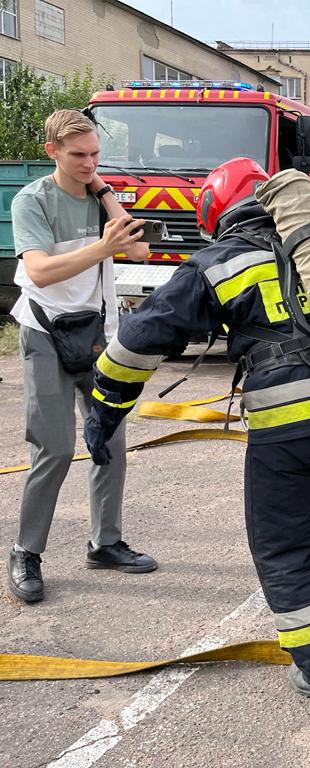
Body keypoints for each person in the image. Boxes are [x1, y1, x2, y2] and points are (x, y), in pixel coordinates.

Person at [84, 158, 310, 709]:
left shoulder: (219, 260)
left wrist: (105, 409)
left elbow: (137, 340)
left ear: (217, 212)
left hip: (295, 414)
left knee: (281, 545)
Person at [6, 109, 155, 605]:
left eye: (95, 154)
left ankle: (105, 543)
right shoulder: (34, 200)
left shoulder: (99, 196)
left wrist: (108, 197)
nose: (90, 163)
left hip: (96, 335)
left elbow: (139, 255)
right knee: (53, 448)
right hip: (45, 334)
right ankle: (26, 553)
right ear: (52, 152)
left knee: (108, 438)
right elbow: (42, 272)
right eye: (79, 155)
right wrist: (101, 246)